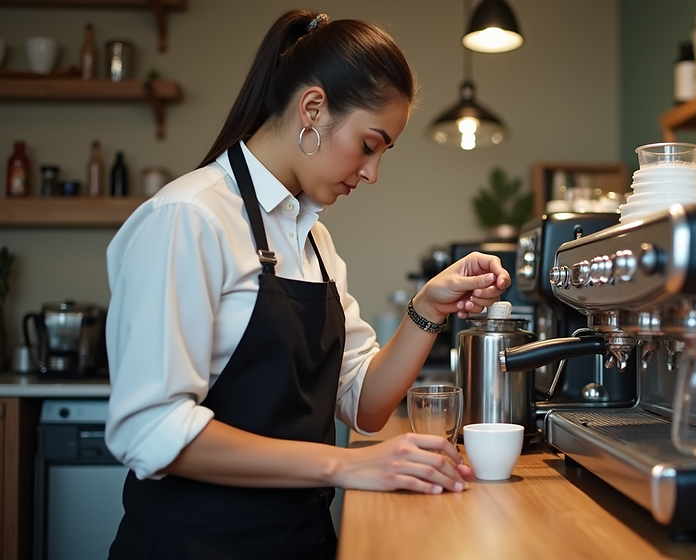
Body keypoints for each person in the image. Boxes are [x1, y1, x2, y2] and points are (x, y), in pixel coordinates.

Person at [104, 10, 509, 560]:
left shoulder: (313, 241)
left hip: (302, 541)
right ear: (313, 109)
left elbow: (362, 404)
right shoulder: (189, 217)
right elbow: (149, 429)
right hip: (197, 545)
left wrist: (427, 308)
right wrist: (346, 464)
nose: (372, 174)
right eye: (370, 145)